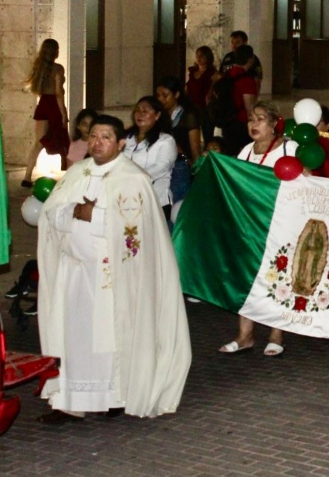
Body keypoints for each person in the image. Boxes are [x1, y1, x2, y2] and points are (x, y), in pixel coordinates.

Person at [36, 114, 191, 423]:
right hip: (74, 275)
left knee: (110, 336)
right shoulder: (76, 172)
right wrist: (73, 211)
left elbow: (138, 235)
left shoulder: (132, 179)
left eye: (106, 137)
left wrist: (96, 216)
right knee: (73, 337)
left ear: (121, 143)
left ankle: (115, 396)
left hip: (113, 277)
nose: (97, 142)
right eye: (93, 136)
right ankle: (69, 402)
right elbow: (50, 213)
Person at [220, 102, 300, 355]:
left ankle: (276, 334)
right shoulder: (246, 150)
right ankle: (245, 336)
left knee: (277, 277)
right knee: (248, 277)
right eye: (250, 119)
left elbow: (303, 182)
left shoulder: (289, 147)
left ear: (274, 123)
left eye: (260, 119)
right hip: (250, 223)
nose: (253, 124)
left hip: (280, 222)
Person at [22, 39, 69, 187]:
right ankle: (70, 176)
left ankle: (27, 176)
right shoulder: (58, 69)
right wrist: (63, 113)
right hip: (54, 106)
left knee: (39, 142)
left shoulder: (39, 69)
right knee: (63, 141)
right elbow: (58, 93)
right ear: (55, 51)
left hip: (43, 104)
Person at [122, 97, 178, 218]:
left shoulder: (165, 141)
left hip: (155, 200)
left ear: (157, 115)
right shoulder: (126, 138)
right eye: (137, 110)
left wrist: (135, 177)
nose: (139, 114)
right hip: (126, 198)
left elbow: (162, 167)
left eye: (145, 111)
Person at [156, 76, 203, 221]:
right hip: (163, 168)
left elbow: (195, 150)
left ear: (176, 95)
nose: (161, 99)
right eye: (158, 96)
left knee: (177, 210)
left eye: (165, 95)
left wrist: (196, 171)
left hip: (182, 167)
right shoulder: (158, 116)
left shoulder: (188, 115)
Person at [185, 46, 217, 113]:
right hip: (191, 106)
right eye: (197, 56)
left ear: (207, 57)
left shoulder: (211, 73)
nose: (199, 58)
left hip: (204, 107)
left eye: (201, 56)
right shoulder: (192, 72)